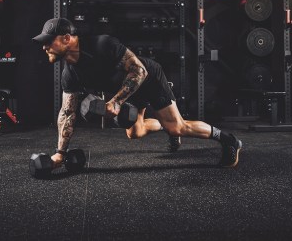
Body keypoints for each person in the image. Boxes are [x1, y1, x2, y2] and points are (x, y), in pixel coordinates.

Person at [32, 17, 242, 170]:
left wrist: (115, 102)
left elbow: (139, 70)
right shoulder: (69, 74)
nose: (44, 47)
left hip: (148, 79)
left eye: (49, 41)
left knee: (178, 126)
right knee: (135, 132)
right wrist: (60, 154)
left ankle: (228, 140)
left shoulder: (102, 44)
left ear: (67, 38)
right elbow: (67, 114)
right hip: (125, 91)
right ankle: (165, 127)